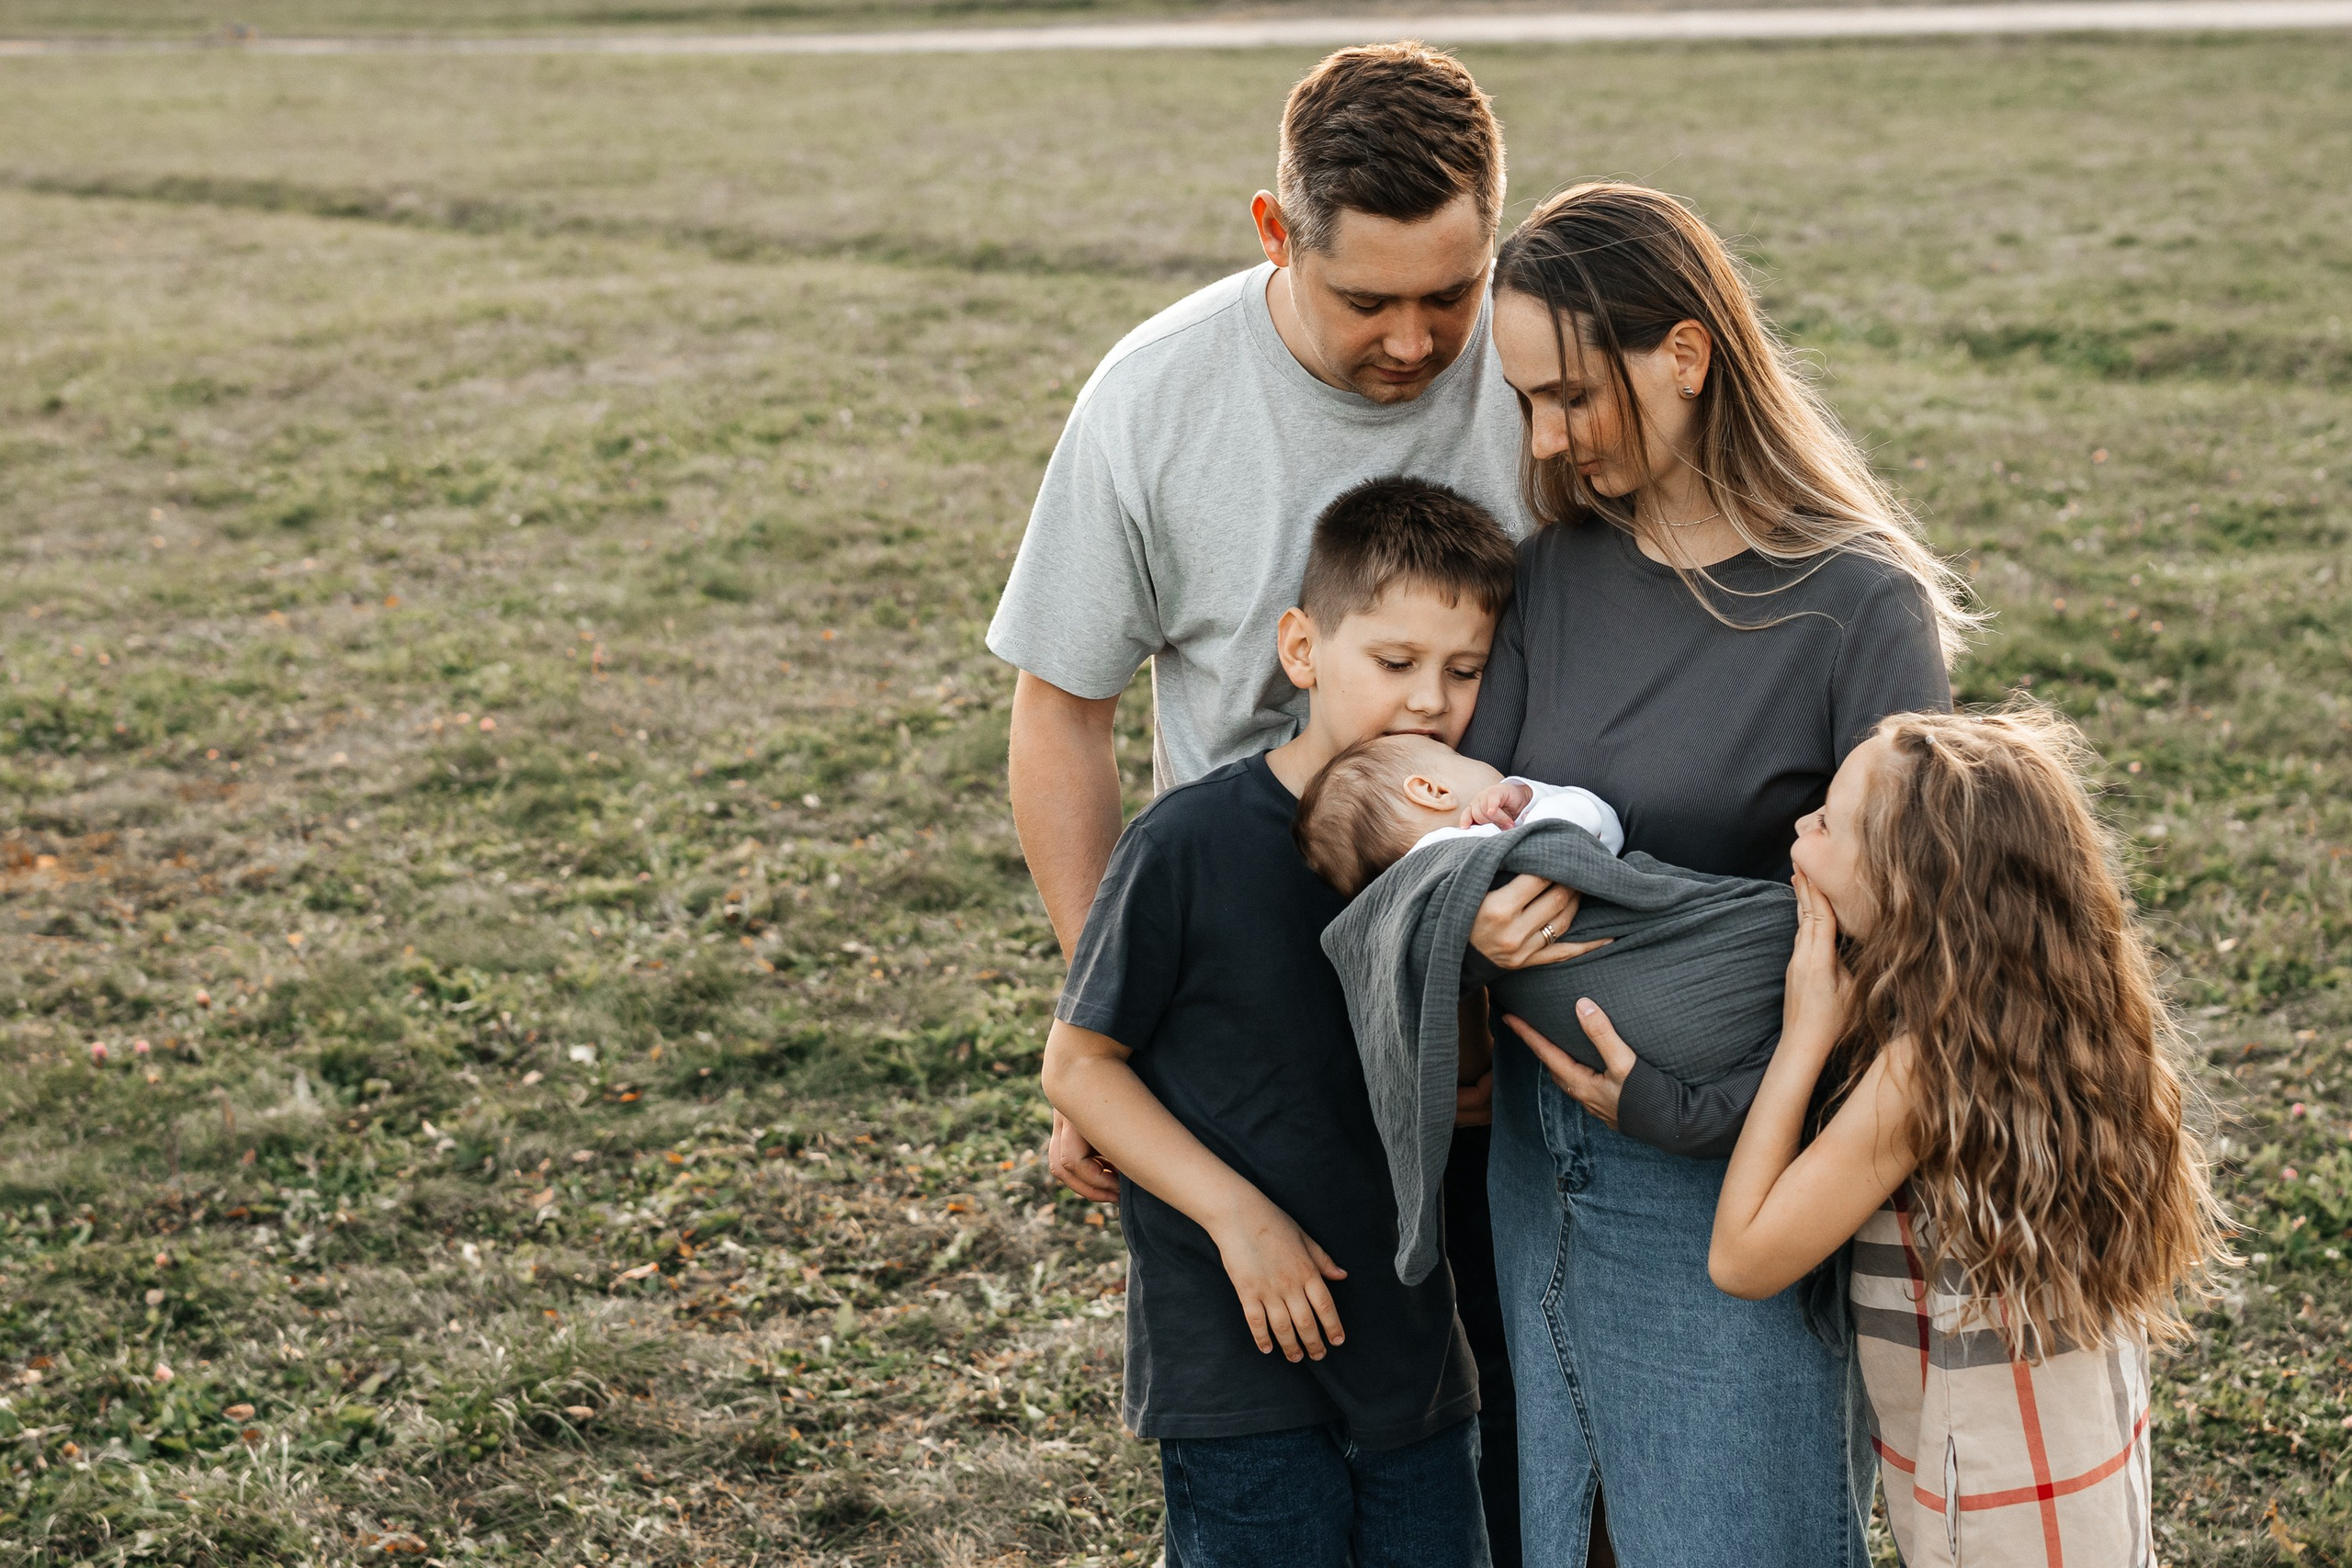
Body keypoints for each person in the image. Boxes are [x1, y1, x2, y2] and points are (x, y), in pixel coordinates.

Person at [986, 41, 1533, 1559]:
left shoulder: (1539, 375)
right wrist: (1120, 1010)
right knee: (1266, 1439)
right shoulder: (1155, 400)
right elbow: (1061, 710)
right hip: (1244, 985)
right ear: (1273, 230)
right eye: (1372, 301)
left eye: (1455, 291)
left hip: (1493, 973)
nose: (1420, 342)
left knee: (1479, 1427)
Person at [1458, 182, 1978, 1566]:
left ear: (1683, 357)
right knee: (1568, 1531)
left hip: (1728, 1185)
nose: (1546, 437)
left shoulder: (1859, 607)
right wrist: (1478, 914)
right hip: (1533, 1163)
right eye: (1525, 402)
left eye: (1570, 394)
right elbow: (1470, 816)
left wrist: (1686, 1108)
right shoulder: (1551, 575)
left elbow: (1917, 973)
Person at [1575, 705, 2230, 1567]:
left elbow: (1742, 1257)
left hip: (1994, 1510)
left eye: (1826, 823)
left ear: (1900, 888)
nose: (1798, 827)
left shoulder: (1923, 1072)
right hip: (2082, 1470)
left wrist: (1807, 1032)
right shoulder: (2064, 1023)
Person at [1038, 478, 1523, 1567]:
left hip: (1413, 1355)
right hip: (1237, 1351)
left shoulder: (1467, 862)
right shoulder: (1188, 844)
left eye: (1463, 670)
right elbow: (1079, 1066)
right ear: (1301, 650)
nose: (1428, 703)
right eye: (1392, 663)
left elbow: (1459, 1086)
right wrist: (1237, 1218)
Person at [1292, 731, 1622, 897]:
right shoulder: (1453, 857)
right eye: (1453, 755)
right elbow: (1594, 825)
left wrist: (1526, 796)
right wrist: (1540, 802)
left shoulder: (1418, 892)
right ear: (1433, 792)